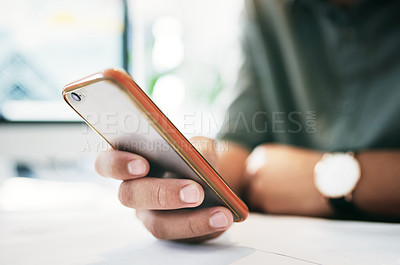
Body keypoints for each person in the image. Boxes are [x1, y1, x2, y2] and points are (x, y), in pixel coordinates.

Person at [95, 0, 400, 241]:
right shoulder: (264, 8)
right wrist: (188, 175)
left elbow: (261, 170)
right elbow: (238, 146)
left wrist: (322, 179)